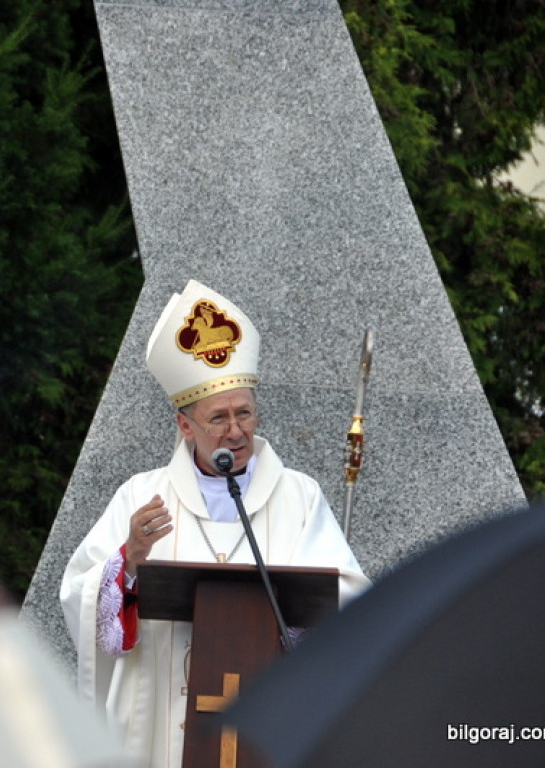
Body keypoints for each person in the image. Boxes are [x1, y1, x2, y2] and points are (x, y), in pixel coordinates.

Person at [60, 280, 369, 768]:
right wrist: (130, 563)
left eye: (245, 413)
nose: (236, 431)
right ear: (185, 426)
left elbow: (348, 597)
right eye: (218, 418)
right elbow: (80, 596)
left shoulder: (299, 497)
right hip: (158, 718)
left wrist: (294, 620)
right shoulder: (141, 497)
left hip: (267, 709)